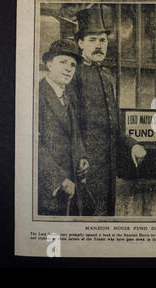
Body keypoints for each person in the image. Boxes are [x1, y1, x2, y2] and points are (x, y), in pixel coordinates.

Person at [69, 8, 147, 216]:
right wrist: (80, 160)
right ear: (80, 43)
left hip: (108, 170)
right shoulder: (74, 74)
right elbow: (71, 125)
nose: (99, 46)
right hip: (84, 170)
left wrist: (132, 145)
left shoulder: (106, 78)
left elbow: (114, 125)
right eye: (93, 39)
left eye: (103, 40)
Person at [38, 39, 91, 216]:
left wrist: (82, 156)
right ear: (49, 63)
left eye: (73, 65)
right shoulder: (37, 95)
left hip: (71, 188)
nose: (69, 68)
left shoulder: (68, 98)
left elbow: (74, 135)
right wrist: (59, 179)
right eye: (63, 62)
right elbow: (32, 145)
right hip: (49, 189)